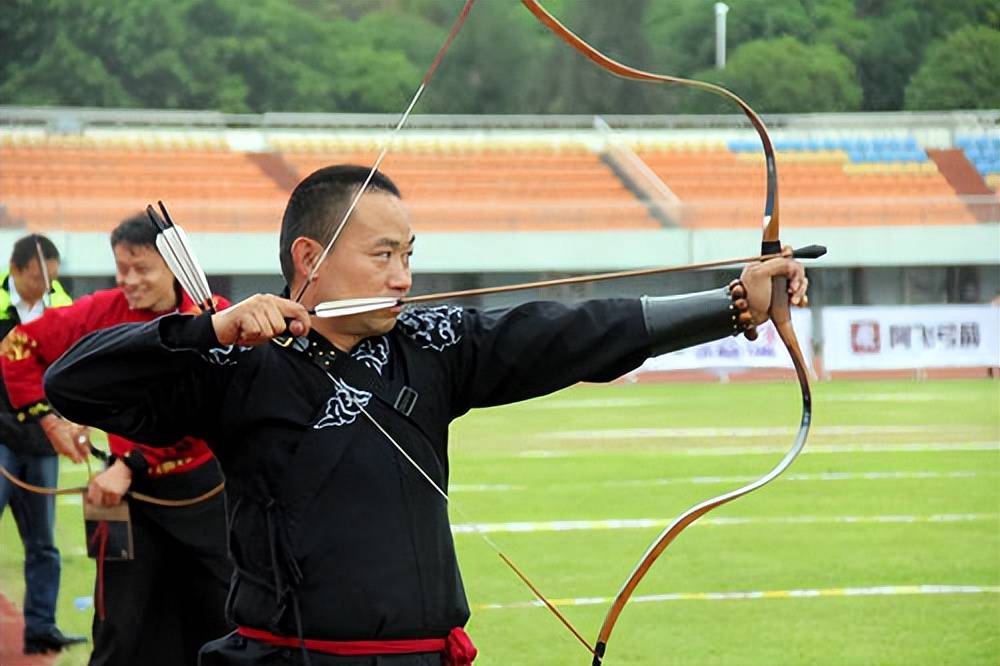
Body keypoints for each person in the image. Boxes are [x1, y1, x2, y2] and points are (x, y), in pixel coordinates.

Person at [41, 165, 810, 666]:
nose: (404, 276)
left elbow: (570, 332)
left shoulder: (434, 344)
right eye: (383, 256)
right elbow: (76, 384)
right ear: (310, 257)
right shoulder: (235, 363)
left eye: (409, 254)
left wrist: (732, 303)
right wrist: (207, 329)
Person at [1, 215, 234, 666]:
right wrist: (49, 421)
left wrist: (131, 463)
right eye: (120, 268)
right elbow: (19, 347)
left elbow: (203, 410)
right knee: (119, 626)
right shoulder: (101, 310)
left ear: (173, 268)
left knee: (220, 620)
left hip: (202, 496)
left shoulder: (211, 316)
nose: (128, 281)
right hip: (128, 501)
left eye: (141, 269)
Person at [0, 234, 86, 655]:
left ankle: (42, 628)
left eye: (51, 279)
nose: (45, 288)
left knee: (43, 544)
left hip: (43, 440)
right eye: (38, 279)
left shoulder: (62, 306)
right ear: (17, 270)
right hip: (1, 438)